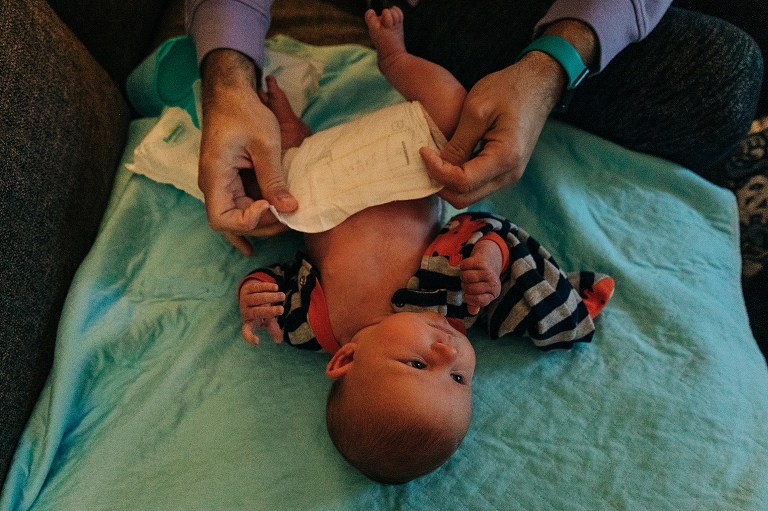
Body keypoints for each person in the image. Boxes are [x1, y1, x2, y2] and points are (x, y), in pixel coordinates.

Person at [237, 9, 615, 483]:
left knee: (258, 203)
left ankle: (291, 134)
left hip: (312, 183)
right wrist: (489, 261)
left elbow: (275, 280)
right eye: (459, 379)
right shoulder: (447, 302)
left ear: (346, 359)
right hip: (399, 161)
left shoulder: (310, 325)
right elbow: (484, 232)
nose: (449, 353)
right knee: (458, 112)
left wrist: (254, 298)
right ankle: (396, 58)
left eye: (417, 364)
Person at [185, 0, 763, 254]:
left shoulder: (315, 314)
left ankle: (396, 59)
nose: (441, 355)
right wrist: (227, 83)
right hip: (443, 19)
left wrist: (553, 64)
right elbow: (508, 261)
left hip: (318, 180)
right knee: (728, 73)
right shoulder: (436, 294)